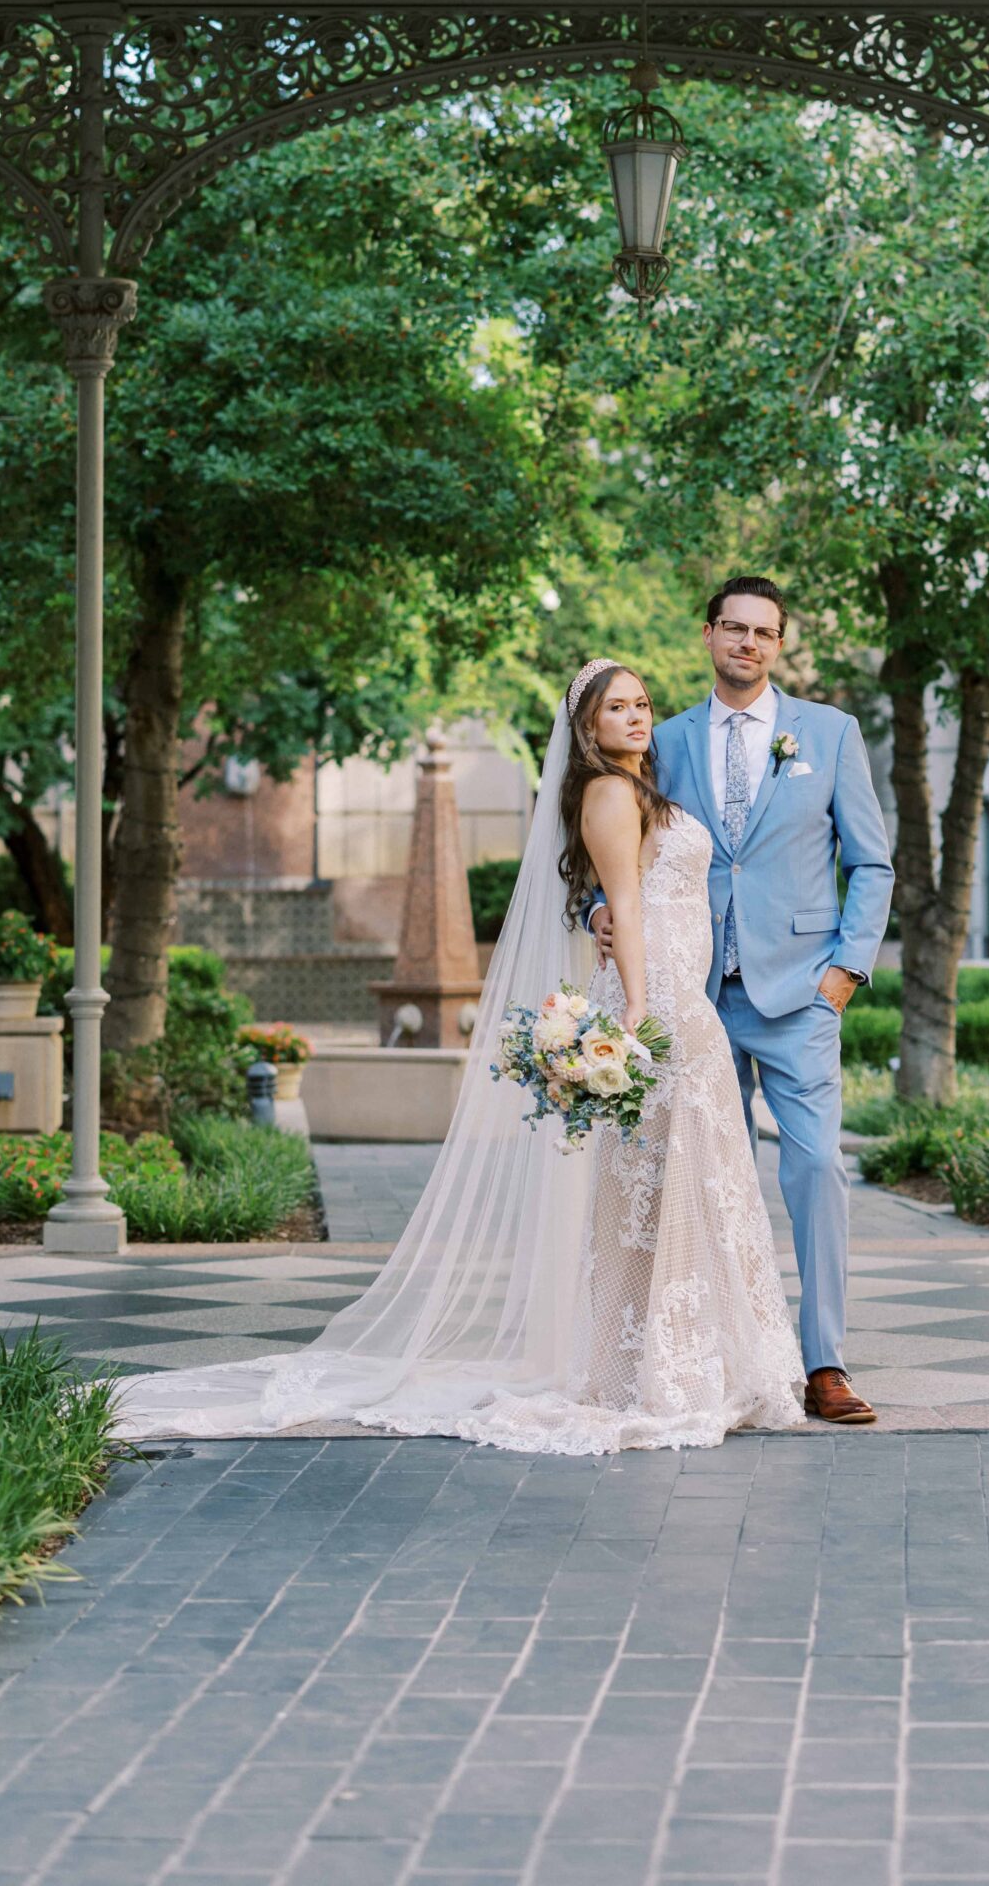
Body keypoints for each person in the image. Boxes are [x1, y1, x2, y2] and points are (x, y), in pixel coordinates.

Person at [113, 656, 804, 1454]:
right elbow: (626, 907)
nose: (637, 718)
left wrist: (630, 959)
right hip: (664, 1014)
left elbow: (624, 905)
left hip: (686, 1007)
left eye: (642, 704)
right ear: (588, 727)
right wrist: (643, 1014)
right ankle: (657, 1374)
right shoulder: (611, 794)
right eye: (617, 709)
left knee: (683, 1186)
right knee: (655, 1192)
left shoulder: (641, 789)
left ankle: (672, 1363)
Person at [592, 577, 894, 1425]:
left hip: (800, 991)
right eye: (734, 628)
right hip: (689, 997)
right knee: (701, 1178)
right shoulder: (667, 738)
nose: (748, 644)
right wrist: (599, 917)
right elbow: (618, 854)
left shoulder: (829, 734)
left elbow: (871, 862)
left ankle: (825, 1362)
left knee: (815, 1170)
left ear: (780, 644)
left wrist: (845, 973)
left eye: (765, 633)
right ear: (708, 635)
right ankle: (714, 1354)